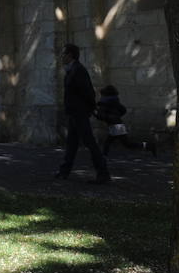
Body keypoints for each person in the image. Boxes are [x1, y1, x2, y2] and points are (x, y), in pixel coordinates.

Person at [55, 43, 110, 184]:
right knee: (72, 144)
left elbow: (88, 92)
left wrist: (90, 109)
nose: (62, 57)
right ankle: (64, 172)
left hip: (79, 113)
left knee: (90, 143)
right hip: (74, 113)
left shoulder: (78, 70)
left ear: (70, 55)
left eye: (64, 54)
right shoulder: (72, 70)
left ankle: (103, 173)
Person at [97, 85, 155, 156]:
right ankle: (102, 156)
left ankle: (149, 146)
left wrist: (107, 117)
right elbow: (123, 110)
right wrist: (116, 116)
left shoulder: (104, 102)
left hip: (115, 125)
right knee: (114, 142)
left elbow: (101, 115)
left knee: (125, 144)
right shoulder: (114, 101)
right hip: (117, 124)